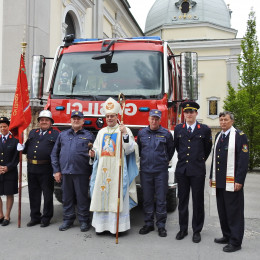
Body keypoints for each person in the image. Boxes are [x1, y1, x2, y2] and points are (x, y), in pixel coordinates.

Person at [89, 97, 139, 234]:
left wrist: (124, 134)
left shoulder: (124, 129)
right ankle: (101, 226)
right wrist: (94, 154)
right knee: (101, 195)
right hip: (103, 170)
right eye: (108, 116)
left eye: (112, 116)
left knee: (116, 196)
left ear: (117, 116)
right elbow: (98, 150)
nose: (110, 118)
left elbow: (129, 150)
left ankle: (118, 227)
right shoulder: (101, 132)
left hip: (118, 170)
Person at [209, 111, 249, 253]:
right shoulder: (219, 135)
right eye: (221, 120)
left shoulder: (239, 136)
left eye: (225, 120)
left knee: (234, 212)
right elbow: (215, 158)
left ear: (232, 121)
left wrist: (239, 180)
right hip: (220, 181)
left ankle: (235, 241)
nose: (223, 122)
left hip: (232, 181)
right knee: (223, 211)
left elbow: (243, 161)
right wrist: (211, 177)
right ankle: (227, 235)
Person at [174, 101, 212, 243]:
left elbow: (207, 149)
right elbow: (177, 147)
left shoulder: (204, 129)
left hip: (197, 170)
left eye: (192, 112)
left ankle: (197, 230)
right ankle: (183, 229)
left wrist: (199, 160)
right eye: (186, 112)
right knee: (183, 201)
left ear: (196, 113)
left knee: (198, 201)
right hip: (182, 170)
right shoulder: (178, 129)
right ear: (184, 114)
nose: (189, 114)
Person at [51, 111, 95, 232]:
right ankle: (68, 220)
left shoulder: (89, 135)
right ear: (70, 120)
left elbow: (94, 156)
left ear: (83, 121)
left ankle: (84, 221)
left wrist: (93, 171)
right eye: (74, 118)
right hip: (65, 172)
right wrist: (56, 171)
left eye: (78, 119)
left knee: (82, 198)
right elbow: (54, 154)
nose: (76, 120)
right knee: (67, 198)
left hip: (82, 172)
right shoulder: (63, 135)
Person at [137, 109, 174, 237]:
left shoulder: (166, 134)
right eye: (152, 118)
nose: (154, 121)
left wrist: (163, 161)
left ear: (160, 120)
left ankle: (161, 225)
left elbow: (170, 150)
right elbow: (140, 149)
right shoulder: (142, 133)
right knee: (147, 199)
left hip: (160, 172)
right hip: (146, 171)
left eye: (156, 119)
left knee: (161, 199)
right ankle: (148, 224)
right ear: (148, 119)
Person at [23, 110, 59, 227]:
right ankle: (35, 217)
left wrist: (57, 169)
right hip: (32, 167)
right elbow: (26, 148)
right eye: (41, 120)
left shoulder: (55, 134)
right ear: (39, 122)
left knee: (47, 194)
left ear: (50, 122)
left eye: (46, 120)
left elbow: (58, 152)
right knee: (33, 194)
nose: (43, 122)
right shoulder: (33, 132)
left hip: (46, 168)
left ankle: (46, 218)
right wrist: (21, 146)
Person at [0, 117, 19, 226]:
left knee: (9, 194)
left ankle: (7, 216)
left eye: (5, 126)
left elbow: (16, 159)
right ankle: (1, 215)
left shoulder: (15, 141)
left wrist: (7, 167)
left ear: (8, 127)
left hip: (10, 172)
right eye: (1, 127)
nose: (3, 128)